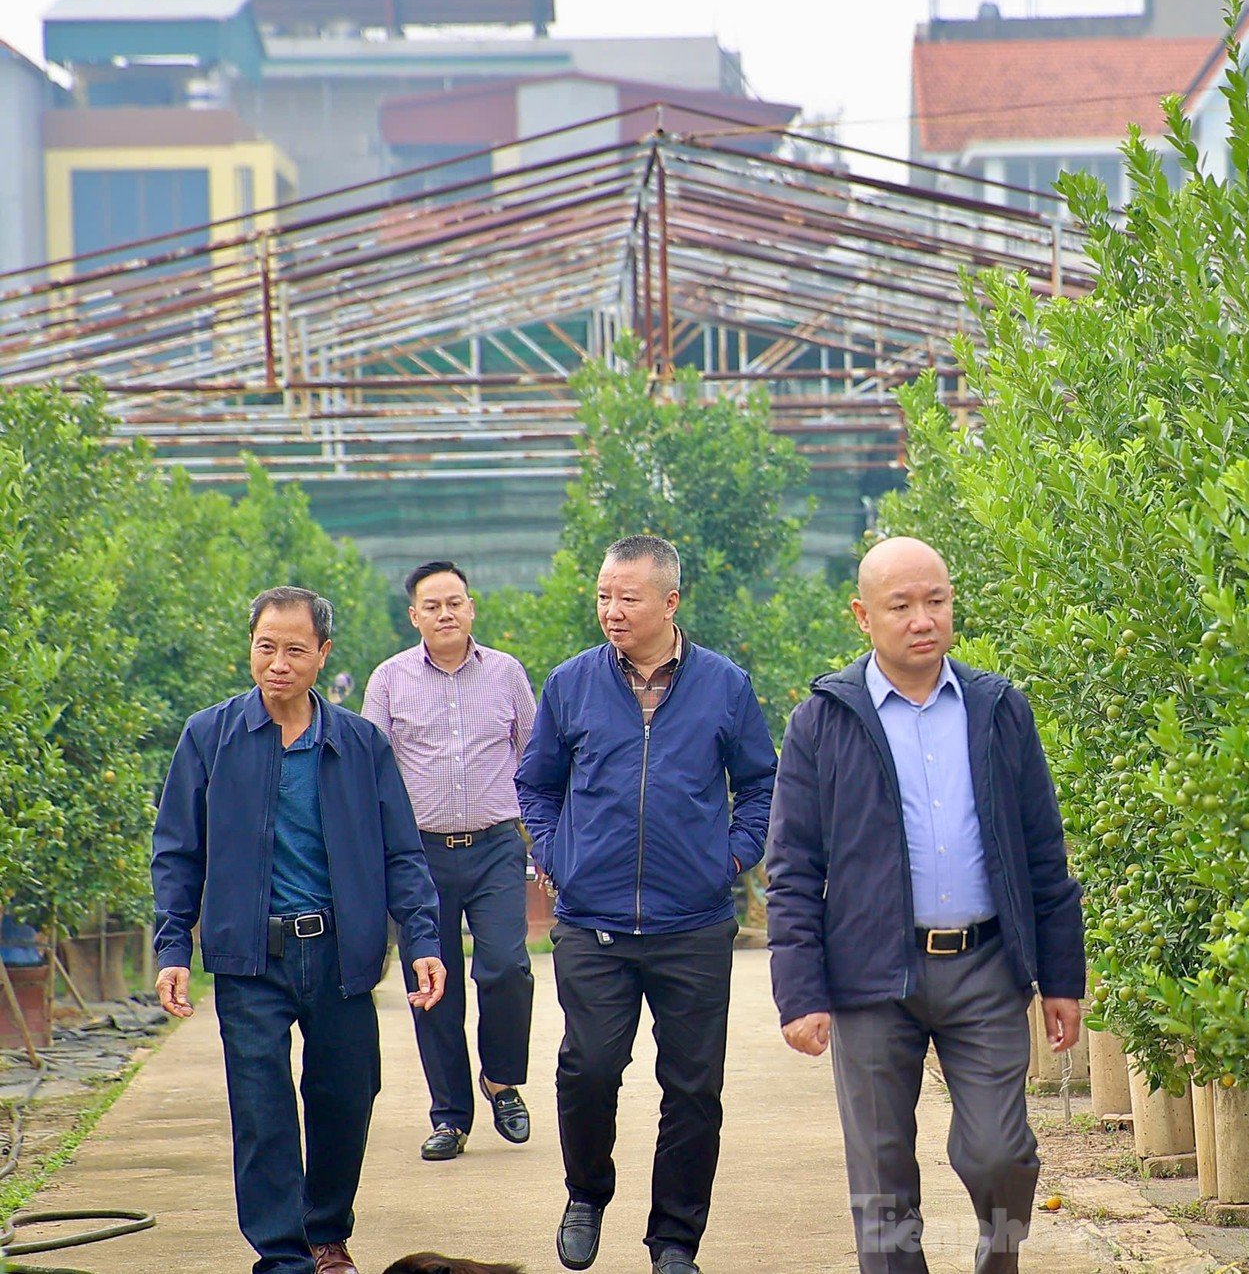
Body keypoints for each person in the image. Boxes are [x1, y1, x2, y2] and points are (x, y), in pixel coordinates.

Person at [766, 537, 1086, 1274]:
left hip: (985, 967)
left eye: (935, 601)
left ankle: (997, 1254)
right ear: (862, 615)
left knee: (1000, 1153)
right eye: (901, 605)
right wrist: (800, 993)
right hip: (871, 974)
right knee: (882, 1180)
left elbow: (1044, 852)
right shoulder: (823, 721)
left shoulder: (999, 709)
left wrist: (1063, 978)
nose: (922, 619)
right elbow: (792, 868)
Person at [153, 587, 447, 1274]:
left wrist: (424, 940)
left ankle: (325, 1232)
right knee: (262, 1111)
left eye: (293, 649)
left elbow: (401, 853)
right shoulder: (209, 737)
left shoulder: (359, 744)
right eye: (265, 646)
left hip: (339, 952)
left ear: (323, 655)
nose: (277, 662)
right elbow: (177, 851)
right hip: (250, 955)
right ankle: (284, 1257)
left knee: (347, 1094)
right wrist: (172, 946)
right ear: (250, 647)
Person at [517, 535, 778, 1274]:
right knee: (589, 1069)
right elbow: (536, 783)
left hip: (692, 923)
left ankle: (674, 1243)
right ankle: (587, 1192)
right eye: (603, 596)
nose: (611, 610)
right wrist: (555, 853)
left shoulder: (725, 685)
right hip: (592, 919)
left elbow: (760, 781)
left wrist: (730, 855)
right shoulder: (570, 684)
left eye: (627, 597)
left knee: (694, 1089)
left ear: (670, 602)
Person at [363, 561, 538, 1163]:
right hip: (419, 857)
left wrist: (541, 840)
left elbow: (534, 759)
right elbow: (372, 774)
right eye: (432, 605)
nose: (445, 613)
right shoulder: (388, 680)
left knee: (506, 966)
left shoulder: (508, 674)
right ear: (414, 616)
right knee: (431, 986)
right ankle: (450, 1117)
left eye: (455, 602)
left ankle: (502, 1080)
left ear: (471, 608)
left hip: (494, 846)